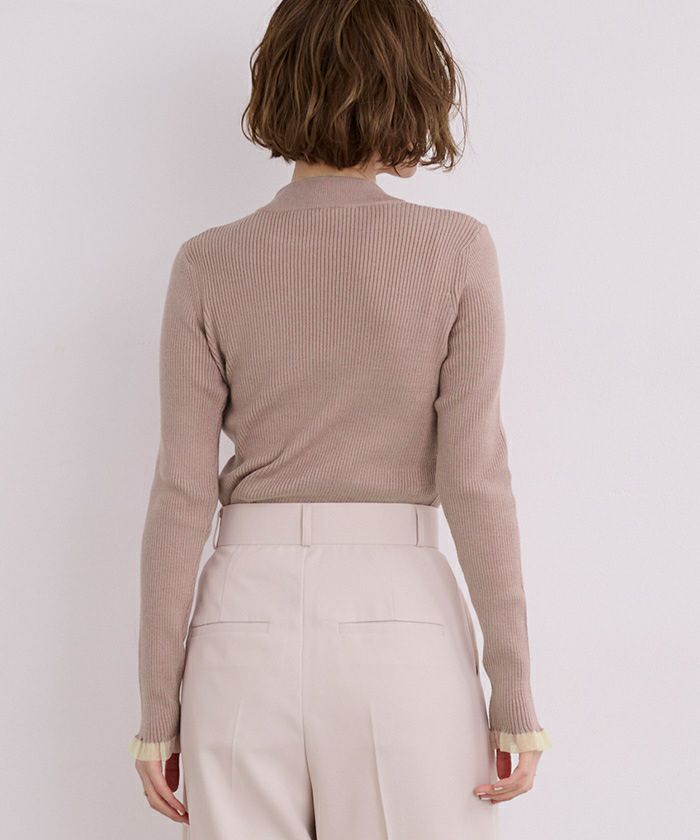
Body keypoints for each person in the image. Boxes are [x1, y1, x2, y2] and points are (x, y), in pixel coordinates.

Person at [129, 0, 551, 836]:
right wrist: (515, 696)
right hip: (402, 622)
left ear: (279, 85)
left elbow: (182, 493)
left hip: (240, 622)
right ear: (413, 89)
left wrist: (156, 711)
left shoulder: (207, 262)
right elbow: (475, 480)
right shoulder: (456, 250)